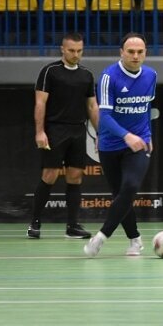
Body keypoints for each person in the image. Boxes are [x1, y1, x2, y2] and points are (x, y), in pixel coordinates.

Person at [83, 33, 156, 258]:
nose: (136, 56)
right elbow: (104, 116)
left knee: (131, 187)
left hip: (139, 143)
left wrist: (147, 135)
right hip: (111, 145)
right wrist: (126, 136)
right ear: (121, 52)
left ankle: (102, 237)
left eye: (140, 52)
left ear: (145, 53)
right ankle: (135, 240)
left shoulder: (151, 75)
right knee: (120, 195)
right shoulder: (108, 77)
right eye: (131, 51)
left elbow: (145, 109)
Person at [27, 32, 99, 239]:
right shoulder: (50, 71)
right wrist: (40, 131)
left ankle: (72, 226)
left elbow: (92, 106)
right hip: (55, 129)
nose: (76, 54)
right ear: (62, 49)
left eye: (79, 51)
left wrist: (100, 133)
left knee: (75, 177)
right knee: (49, 175)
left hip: (78, 130)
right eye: (71, 50)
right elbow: (40, 103)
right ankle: (35, 223)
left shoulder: (86, 75)